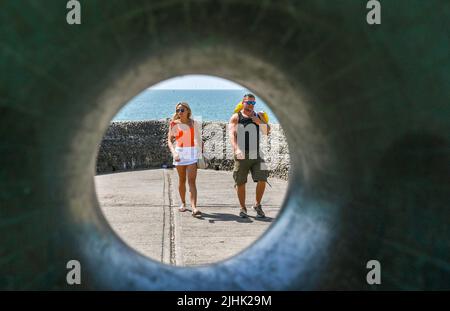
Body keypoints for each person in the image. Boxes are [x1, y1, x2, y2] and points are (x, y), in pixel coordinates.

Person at [229, 94, 270, 218]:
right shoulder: (236, 117)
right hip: (241, 154)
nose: (251, 105)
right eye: (248, 102)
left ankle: (257, 205)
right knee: (240, 182)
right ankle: (243, 208)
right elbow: (231, 135)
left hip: (256, 153)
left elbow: (267, 131)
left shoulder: (258, 116)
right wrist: (236, 149)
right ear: (243, 102)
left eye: (253, 103)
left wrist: (259, 121)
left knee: (263, 178)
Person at [167, 102, 202, 217]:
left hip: (191, 153)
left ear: (188, 111)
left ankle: (194, 208)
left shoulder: (193, 123)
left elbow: (197, 138)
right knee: (182, 180)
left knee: (192, 181)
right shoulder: (173, 124)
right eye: (178, 110)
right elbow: (169, 141)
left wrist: (198, 148)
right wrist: (174, 153)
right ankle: (183, 203)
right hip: (179, 153)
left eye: (182, 110)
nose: (179, 112)